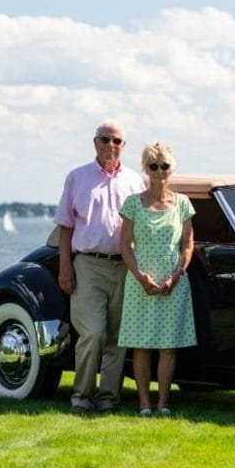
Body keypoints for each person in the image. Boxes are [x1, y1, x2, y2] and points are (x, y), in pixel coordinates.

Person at [54, 120, 145, 414]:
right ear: (95, 143)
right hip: (88, 265)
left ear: (124, 146)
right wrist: (65, 268)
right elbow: (65, 227)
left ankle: (108, 398)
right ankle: (81, 397)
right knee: (92, 333)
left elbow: (143, 226)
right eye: (105, 139)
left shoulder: (135, 181)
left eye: (117, 141)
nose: (111, 145)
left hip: (124, 266)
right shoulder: (77, 178)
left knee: (117, 338)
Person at [118, 142, 197, 417]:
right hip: (140, 283)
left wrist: (176, 276)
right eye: (154, 166)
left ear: (171, 168)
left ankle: (163, 402)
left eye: (164, 166)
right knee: (141, 346)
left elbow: (187, 246)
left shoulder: (183, 204)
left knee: (168, 348)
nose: (159, 171)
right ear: (146, 169)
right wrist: (141, 277)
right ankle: (143, 403)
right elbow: (125, 246)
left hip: (173, 283)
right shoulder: (132, 204)